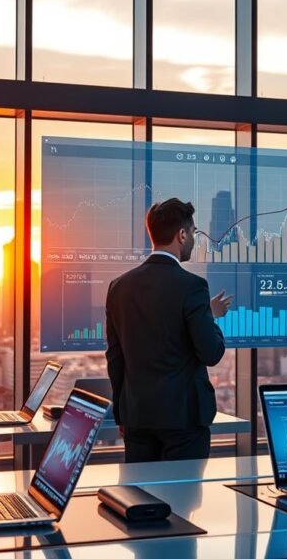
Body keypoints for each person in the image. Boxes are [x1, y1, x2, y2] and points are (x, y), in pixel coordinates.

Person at [106, 198, 233, 463]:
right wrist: (209, 315)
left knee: (140, 497)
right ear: (182, 234)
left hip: (137, 417)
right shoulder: (193, 287)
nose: (195, 240)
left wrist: (122, 414)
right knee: (182, 500)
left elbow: (115, 358)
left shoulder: (119, 287)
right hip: (183, 419)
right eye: (194, 233)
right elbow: (211, 353)